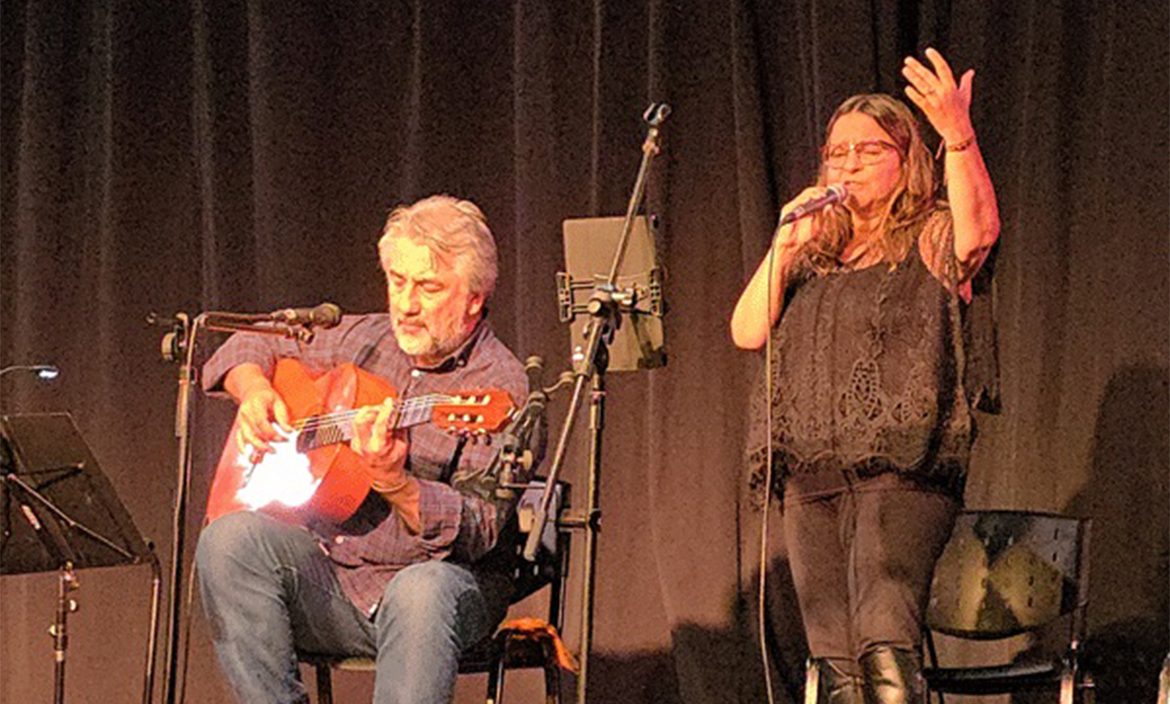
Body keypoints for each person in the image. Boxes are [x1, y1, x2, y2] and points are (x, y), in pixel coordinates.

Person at [731, 49, 1000, 703]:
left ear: (906, 160)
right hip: (811, 474)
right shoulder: (813, 253)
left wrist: (958, 137)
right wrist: (783, 245)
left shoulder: (928, 235)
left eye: (868, 150)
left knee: (883, 633)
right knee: (832, 655)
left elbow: (977, 235)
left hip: (902, 470)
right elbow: (746, 330)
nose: (848, 164)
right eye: (837, 153)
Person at [196, 195, 535, 704]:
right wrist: (255, 391)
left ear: (473, 298)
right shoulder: (363, 336)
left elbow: (481, 530)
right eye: (397, 281)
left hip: (440, 594)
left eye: (428, 287)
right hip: (333, 582)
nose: (406, 304)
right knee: (229, 540)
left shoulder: (499, 386)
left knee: (421, 591)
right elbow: (252, 341)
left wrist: (395, 483)